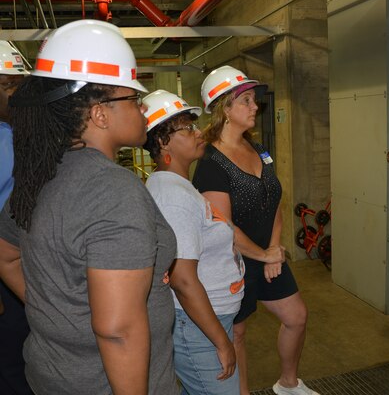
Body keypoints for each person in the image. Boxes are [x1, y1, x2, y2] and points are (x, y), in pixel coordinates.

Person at [0, 20, 179, 395]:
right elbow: (118, 332)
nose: (143, 108)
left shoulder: (41, 173)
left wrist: (61, 314)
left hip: (53, 376)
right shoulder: (112, 191)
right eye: (132, 98)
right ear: (100, 113)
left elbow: (6, 256)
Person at [193, 66, 319, 395]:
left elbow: (274, 200)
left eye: (253, 100)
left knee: (297, 316)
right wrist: (263, 255)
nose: (255, 107)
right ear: (224, 108)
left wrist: (273, 251)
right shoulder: (210, 164)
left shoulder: (259, 149)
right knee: (237, 334)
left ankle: (288, 383)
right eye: (246, 100)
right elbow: (223, 226)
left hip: (267, 254)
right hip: (231, 261)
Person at [142, 89, 245, 394]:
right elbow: (182, 279)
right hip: (199, 328)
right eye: (187, 128)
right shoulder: (173, 196)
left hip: (206, 322)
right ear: (163, 142)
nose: (198, 132)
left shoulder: (179, 187)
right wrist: (221, 342)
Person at [0, 40, 34, 395]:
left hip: (21, 262)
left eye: (18, 86)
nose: (15, 95)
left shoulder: (13, 135)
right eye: (8, 86)